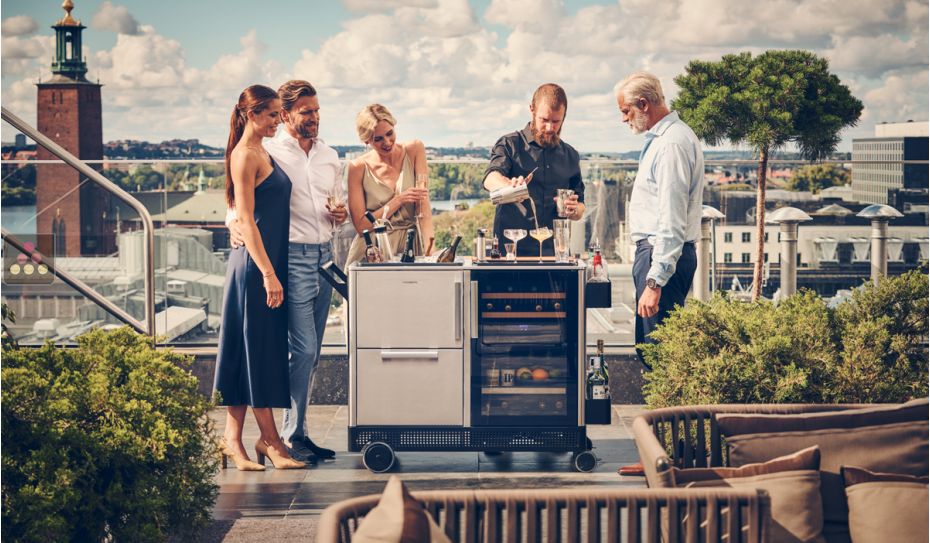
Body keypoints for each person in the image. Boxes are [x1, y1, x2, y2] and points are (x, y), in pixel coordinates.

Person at [228, 80, 345, 463]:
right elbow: (243, 200)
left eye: (317, 111)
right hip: (289, 257)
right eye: (305, 112)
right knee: (304, 347)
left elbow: (336, 204)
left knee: (311, 354)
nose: (314, 118)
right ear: (287, 113)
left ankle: (298, 432)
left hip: (325, 255)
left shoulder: (330, 156)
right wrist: (234, 222)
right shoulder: (269, 149)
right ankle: (287, 434)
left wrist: (338, 215)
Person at [614, 72, 703, 476]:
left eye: (626, 111)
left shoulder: (670, 145)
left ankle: (669, 457)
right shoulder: (671, 139)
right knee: (655, 355)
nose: (624, 119)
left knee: (660, 357)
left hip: (661, 256)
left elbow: (670, 220)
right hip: (659, 255)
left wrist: (654, 281)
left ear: (645, 106)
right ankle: (664, 453)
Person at [214, 84, 304, 471]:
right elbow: (246, 219)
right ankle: (272, 443)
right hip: (256, 268)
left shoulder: (259, 151)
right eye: (271, 115)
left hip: (261, 264)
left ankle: (233, 441)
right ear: (252, 115)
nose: (277, 121)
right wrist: (269, 274)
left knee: (247, 351)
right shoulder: (245, 155)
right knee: (259, 352)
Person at [483, 83, 586, 257]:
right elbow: (490, 178)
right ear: (532, 110)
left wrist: (575, 210)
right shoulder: (509, 144)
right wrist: (508, 184)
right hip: (510, 250)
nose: (549, 128)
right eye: (544, 120)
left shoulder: (571, 155)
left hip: (555, 253)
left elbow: (581, 205)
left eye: (556, 121)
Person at [345, 104, 433, 264]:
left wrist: (430, 251)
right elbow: (361, 226)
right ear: (366, 140)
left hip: (411, 245)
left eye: (389, 133)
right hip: (374, 250)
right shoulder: (357, 168)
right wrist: (398, 200)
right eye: (377, 139)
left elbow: (423, 209)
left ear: (394, 126)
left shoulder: (415, 150)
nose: (387, 142)